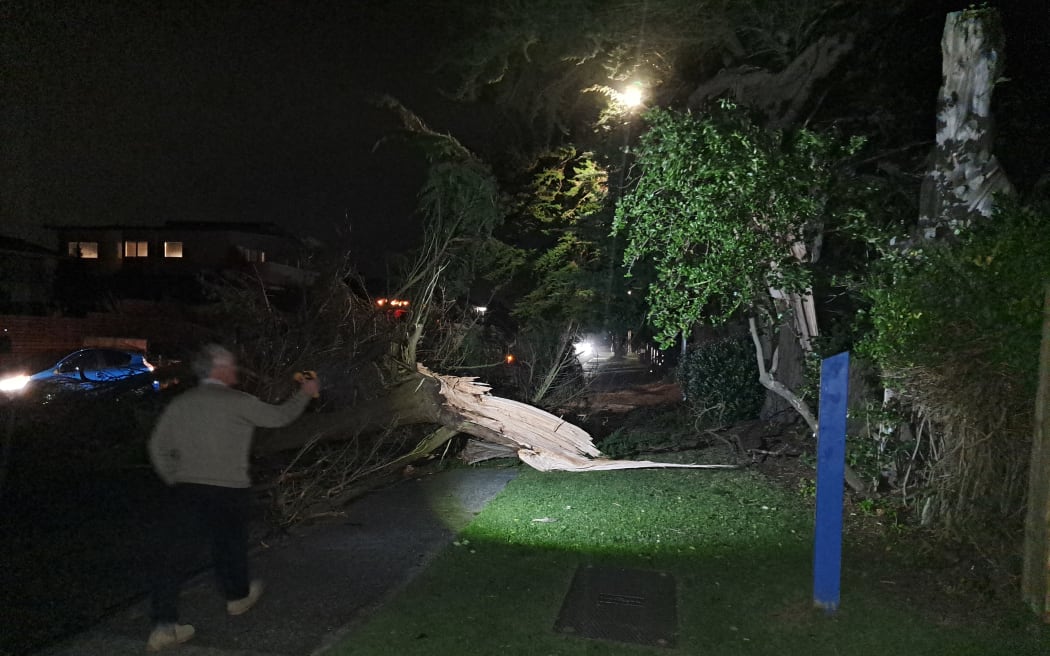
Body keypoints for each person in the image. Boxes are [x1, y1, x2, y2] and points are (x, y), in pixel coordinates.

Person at [145, 343, 321, 652]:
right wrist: (305, 393)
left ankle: (164, 625)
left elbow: (158, 447)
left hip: (188, 491)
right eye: (228, 365)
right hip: (229, 490)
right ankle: (237, 598)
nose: (234, 369)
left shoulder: (181, 403)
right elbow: (279, 417)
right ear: (217, 369)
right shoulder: (238, 401)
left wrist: (176, 477)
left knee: (174, 558)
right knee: (229, 545)